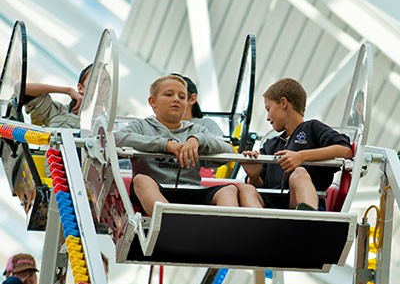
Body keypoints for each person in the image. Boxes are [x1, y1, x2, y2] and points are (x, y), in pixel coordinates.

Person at [114, 74, 261, 216]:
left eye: (182, 97)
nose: (176, 99)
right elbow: (117, 139)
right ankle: (171, 224)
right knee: (141, 180)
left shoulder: (196, 130)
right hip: (155, 189)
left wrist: (196, 140)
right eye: (169, 95)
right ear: (153, 102)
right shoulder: (141, 125)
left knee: (228, 190)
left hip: (190, 190)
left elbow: (227, 149)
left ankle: (227, 233)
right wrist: (165, 145)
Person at [241, 77, 353, 210]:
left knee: (299, 173)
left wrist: (301, 156)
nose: (267, 117)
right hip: (270, 207)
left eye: (268, 108)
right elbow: (260, 186)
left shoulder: (312, 128)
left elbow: (346, 150)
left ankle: (306, 219)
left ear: (283, 103)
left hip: (296, 204)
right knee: (246, 189)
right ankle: (260, 224)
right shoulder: (270, 144)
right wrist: (254, 176)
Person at [23, 64, 92, 128]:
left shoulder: (101, 122)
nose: (100, 86)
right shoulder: (58, 111)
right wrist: (68, 91)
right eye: (95, 79)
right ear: (80, 88)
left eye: (103, 82)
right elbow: (21, 89)